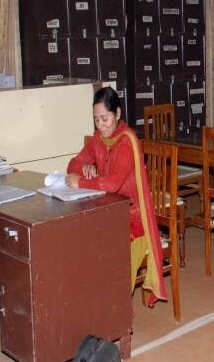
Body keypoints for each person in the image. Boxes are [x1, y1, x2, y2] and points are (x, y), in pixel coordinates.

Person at [66, 86, 167, 305]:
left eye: (105, 119)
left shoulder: (127, 141)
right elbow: (73, 163)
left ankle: (116, 309)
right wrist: (84, 168)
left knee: (115, 253)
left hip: (134, 219)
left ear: (118, 113)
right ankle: (94, 303)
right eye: (96, 120)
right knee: (85, 242)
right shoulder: (98, 139)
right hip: (110, 212)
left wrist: (81, 181)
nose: (100, 125)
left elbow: (112, 183)